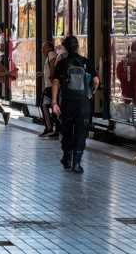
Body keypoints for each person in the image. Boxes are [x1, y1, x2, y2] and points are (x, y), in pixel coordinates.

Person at [51, 36, 99, 174]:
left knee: (66, 131)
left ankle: (67, 158)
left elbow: (55, 83)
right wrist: (91, 92)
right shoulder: (86, 62)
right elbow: (96, 81)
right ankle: (76, 163)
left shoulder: (62, 63)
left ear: (65, 48)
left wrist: (54, 102)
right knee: (80, 132)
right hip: (83, 103)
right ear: (77, 47)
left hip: (67, 102)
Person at [39, 41, 60, 137]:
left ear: (49, 48)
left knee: (43, 104)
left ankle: (49, 128)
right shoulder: (50, 55)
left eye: (43, 48)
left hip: (51, 86)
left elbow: (52, 67)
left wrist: (51, 77)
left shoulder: (51, 54)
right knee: (53, 106)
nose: (42, 50)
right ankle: (56, 129)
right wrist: (43, 74)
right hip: (51, 86)